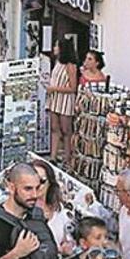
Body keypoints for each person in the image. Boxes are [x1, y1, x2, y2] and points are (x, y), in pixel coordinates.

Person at [48, 37, 79, 166]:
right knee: (55, 128)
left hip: (65, 100)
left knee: (66, 130)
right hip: (55, 99)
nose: (54, 48)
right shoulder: (57, 62)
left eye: (57, 46)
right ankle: (53, 156)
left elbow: (72, 87)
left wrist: (54, 88)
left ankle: (68, 157)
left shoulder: (70, 66)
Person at [32, 159, 72, 248]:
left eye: (42, 181)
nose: (37, 185)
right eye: (33, 180)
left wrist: (66, 246)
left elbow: (67, 240)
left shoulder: (59, 210)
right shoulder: (22, 211)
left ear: (50, 182)